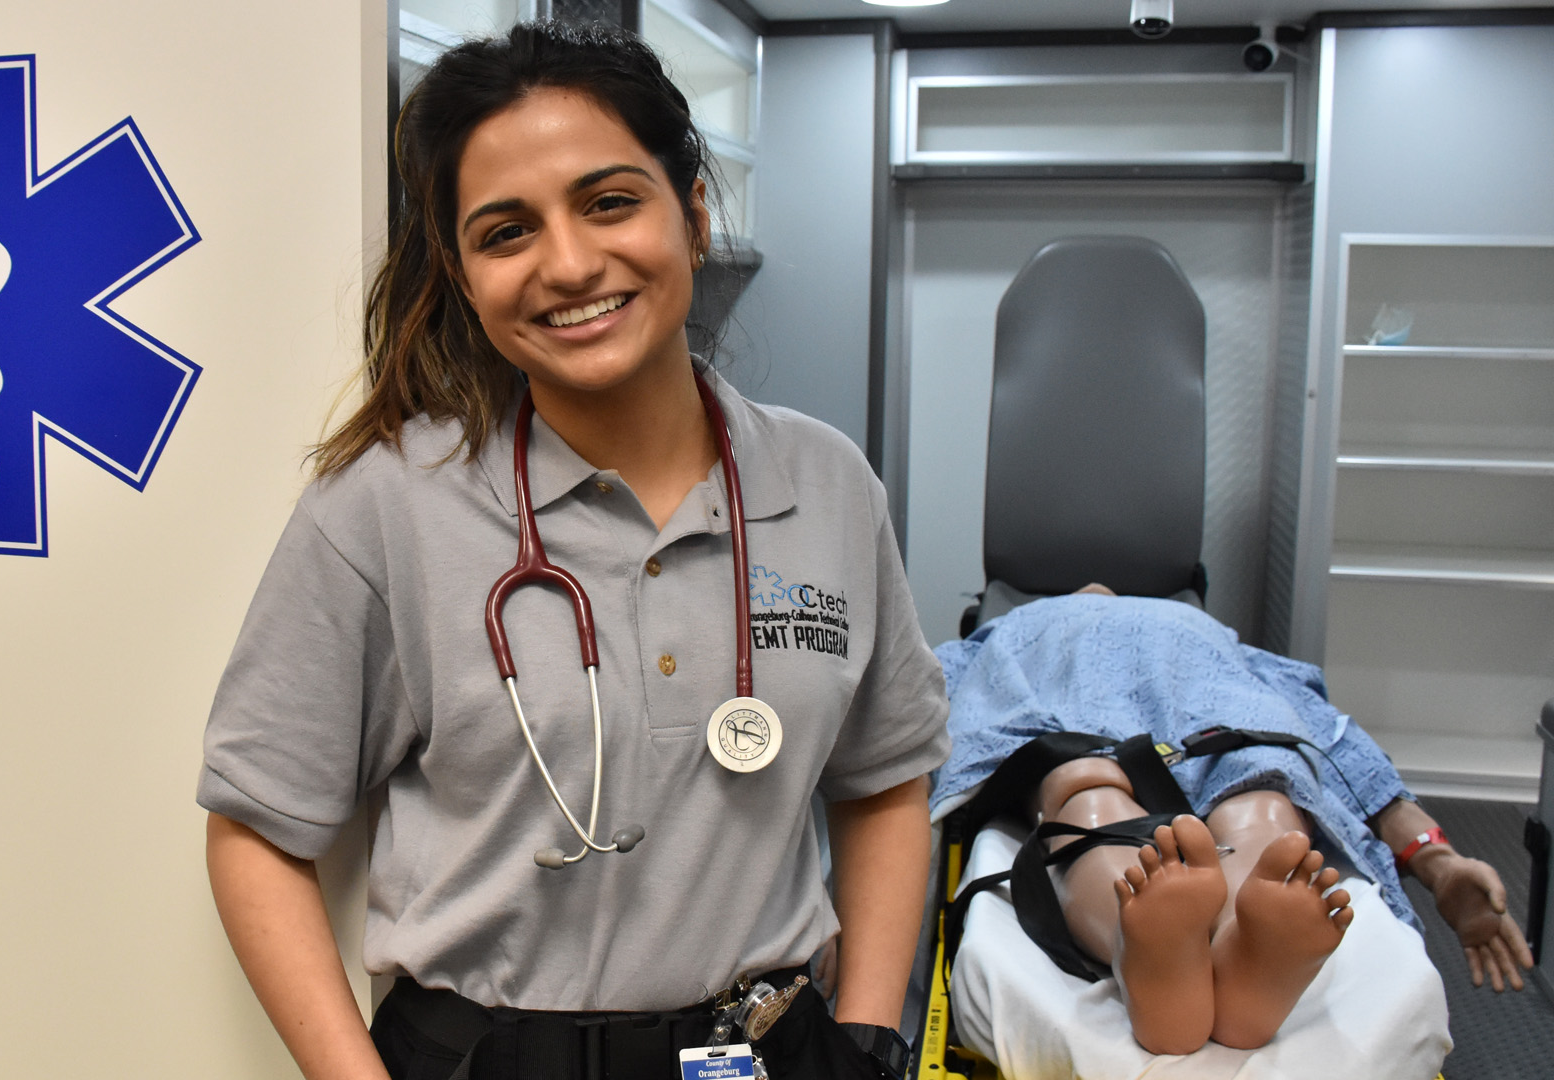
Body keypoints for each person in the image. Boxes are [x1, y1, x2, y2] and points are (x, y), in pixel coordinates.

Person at [199, 22, 951, 1080]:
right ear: (463, 276)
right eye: (505, 233)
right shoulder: (384, 511)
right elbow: (257, 831)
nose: (567, 262)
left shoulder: (826, 486)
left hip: (767, 1053)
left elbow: (882, 781)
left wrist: (868, 1041)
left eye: (608, 202)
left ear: (691, 216)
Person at [932, 584, 1534, 1056]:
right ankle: (1221, 945)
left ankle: (1149, 945)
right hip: (1196, 729)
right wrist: (1433, 856)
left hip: (1194, 723)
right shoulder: (995, 635)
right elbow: (907, 731)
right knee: (1257, 808)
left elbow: (1334, 738)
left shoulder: (1215, 638)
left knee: (1094, 801)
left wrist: (1444, 865)